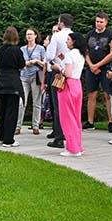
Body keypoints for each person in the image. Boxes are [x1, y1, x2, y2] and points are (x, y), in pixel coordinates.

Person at [45, 13, 74, 149]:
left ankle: (59, 135)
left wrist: (52, 62)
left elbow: (49, 55)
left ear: (61, 23)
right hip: (72, 73)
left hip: (58, 73)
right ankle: (68, 133)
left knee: (57, 104)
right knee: (69, 105)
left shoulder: (57, 36)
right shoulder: (74, 36)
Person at [0, 27, 26, 147]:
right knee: (11, 112)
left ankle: (0, 136)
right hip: (13, 82)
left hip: (2, 81)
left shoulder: (1, 49)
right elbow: (22, 65)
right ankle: (8, 139)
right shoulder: (16, 50)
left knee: (3, 110)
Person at [83, 12, 112, 131]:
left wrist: (98, 65)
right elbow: (85, 51)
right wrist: (91, 65)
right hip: (91, 68)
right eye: (97, 21)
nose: (98, 24)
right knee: (91, 94)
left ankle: (111, 121)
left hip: (105, 67)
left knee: (108, 94)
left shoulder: (110, 35)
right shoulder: (90, 34)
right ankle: (90, 121)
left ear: (106, 22)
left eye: (101, 22)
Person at [58, 32, 86, 157]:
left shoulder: (70, 55)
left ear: (74, 41)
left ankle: (72, 148)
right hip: (77, 85)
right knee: (75, 116)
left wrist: (59, 68)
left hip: (68, 85)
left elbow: (68, 73)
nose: (66, 41)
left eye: (68, 39)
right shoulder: (81, 54)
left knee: (67, 118)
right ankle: (78, 145)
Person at [17, 28, 46, 135]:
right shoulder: (22, 49)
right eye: (27, 34)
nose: (29, 36)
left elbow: (45, 64)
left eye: (31, 34)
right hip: (24, 77)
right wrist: (25, 63)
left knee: (37, 102)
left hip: (36, 76)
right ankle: (17, 126)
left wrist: (36, 61)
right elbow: (19, 63)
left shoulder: (41, 49)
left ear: (35, 36)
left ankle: (36, 126)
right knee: (21, 102)